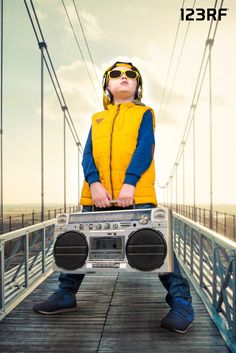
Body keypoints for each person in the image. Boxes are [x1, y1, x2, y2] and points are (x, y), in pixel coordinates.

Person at [33, 61, 194, 334]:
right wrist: (94, 184)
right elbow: (87, 155)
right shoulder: (97, 119)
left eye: (130, 75)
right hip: (97, 194)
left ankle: (181, 303)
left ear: (137, 85)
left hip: (136, 193)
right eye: (116, 74)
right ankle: (65, 295)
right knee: (77, 245)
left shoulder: (144, 113)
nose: (123, 78)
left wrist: (129, 184)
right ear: (107, 85)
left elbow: (145, 149)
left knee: (156, 249)